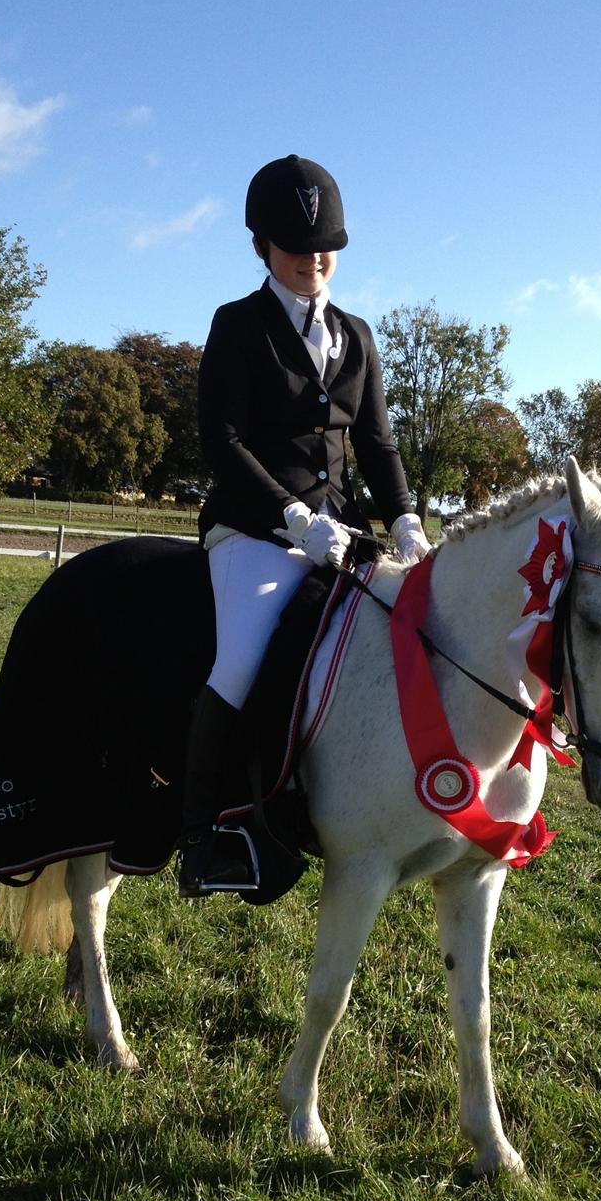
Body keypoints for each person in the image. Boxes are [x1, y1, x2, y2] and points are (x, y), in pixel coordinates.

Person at [180, 153, 431, 897]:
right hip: (252, 528)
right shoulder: (238, 325)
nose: (312, 261)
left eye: (324, 249)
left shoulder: (355, 334)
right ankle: (202, 839)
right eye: (295, 248)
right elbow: (220, 443)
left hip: (344, 531)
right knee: (240, 661)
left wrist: (407, 519)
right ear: (264, 247)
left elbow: (377, 443)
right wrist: (290, 517)